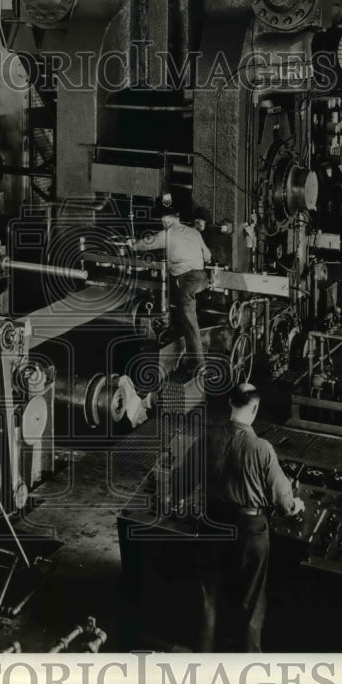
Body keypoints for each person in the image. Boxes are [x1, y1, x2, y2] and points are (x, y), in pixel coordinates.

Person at [194, 384, 305, 652]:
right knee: (251, 602)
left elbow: (183, 480)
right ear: (254, 409)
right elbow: (284, 503)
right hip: (249, 531)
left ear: (230, 404)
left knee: (209, 597)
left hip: (212, 525)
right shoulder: (262, 449)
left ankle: (201, 664)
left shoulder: (207, 438)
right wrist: (296, 505)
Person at [131, 203, 212, 370]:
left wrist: (132, 244)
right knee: (180, 298)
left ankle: (199, 364)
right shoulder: (194, 232)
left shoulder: (169, 233)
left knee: (190, 320)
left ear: (166, 220)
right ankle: (174, 327)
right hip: (203, 278)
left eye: (162, 220)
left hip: (187, 280)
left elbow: (147, 243)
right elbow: (208, 255)